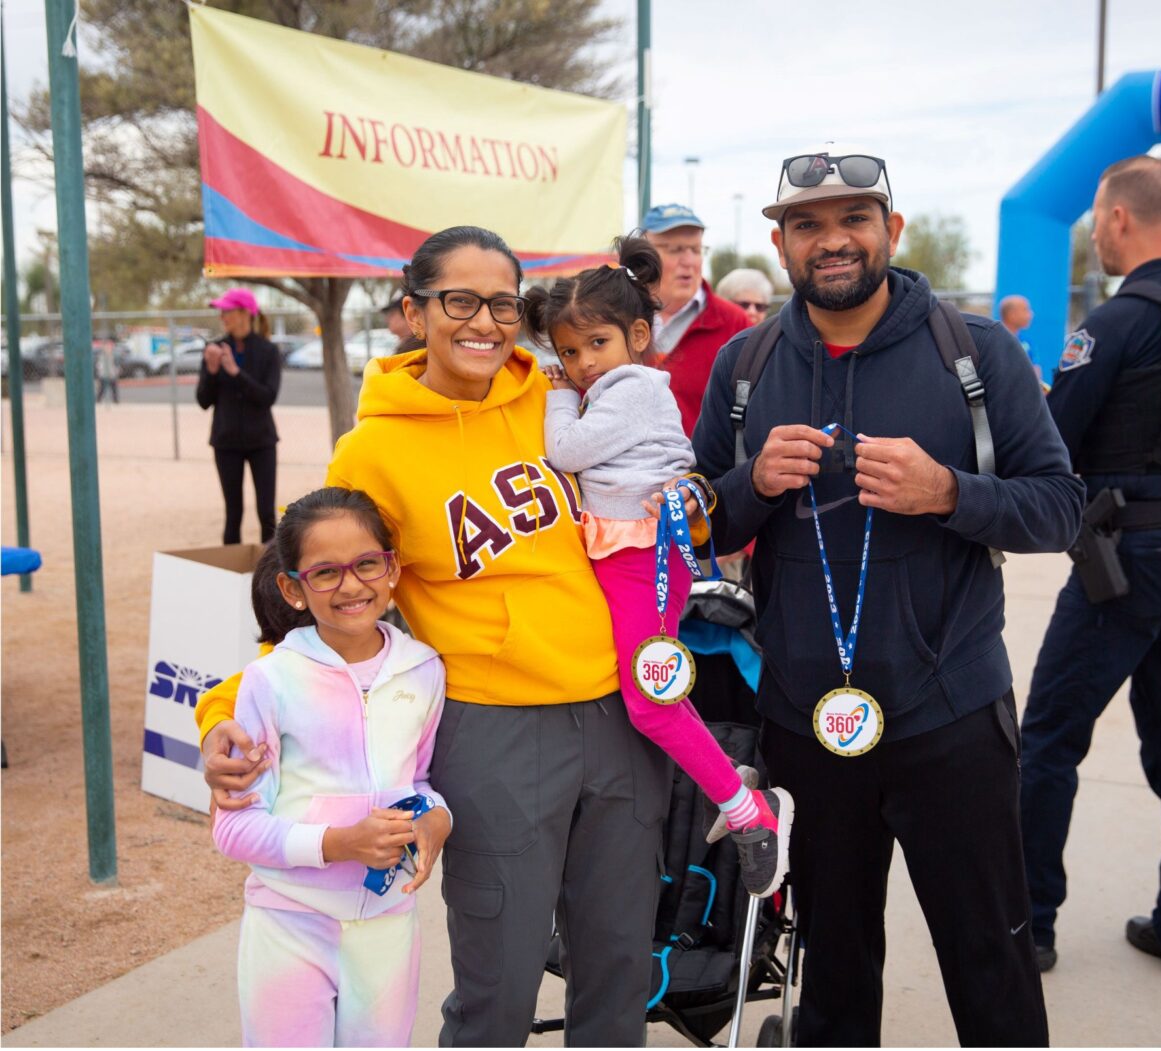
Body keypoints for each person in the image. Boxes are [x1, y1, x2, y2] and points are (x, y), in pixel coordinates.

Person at [195, 226, 671, 1046]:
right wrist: (223, 712)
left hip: (625, 710)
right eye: (459, 300)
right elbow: (309, 595)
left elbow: (658, 479)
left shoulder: (563, 395)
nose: (484, 321)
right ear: (414, 312)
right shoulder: (373, 449)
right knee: (499, 985)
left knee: (621, 969)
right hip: (496, 730)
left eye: (502, 303)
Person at [691, 143, 1085, 1046]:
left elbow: (1061, 509)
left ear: (892, 230)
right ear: (783, 246)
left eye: (852, 220)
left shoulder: (974, 352)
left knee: (992, 963)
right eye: (807, 226)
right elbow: (698, 523)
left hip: (951, 715)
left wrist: (950, 492)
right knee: (829, 976)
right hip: (804, 716)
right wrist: (750, 485)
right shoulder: (746, 365)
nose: (832, 241)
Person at [528, 236, 793, 899]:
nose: (582, 363)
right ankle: (730, 796)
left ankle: (745, 810)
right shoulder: (623, 384)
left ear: (638, 335)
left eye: (596, 344)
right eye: (567, 351)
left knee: (652, 703)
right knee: (636, 695)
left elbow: (566, 450)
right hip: (632, 549)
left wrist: (556, 390)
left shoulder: (631, 388)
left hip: (643, 552)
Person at [1019, 154, 1161, 980]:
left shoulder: (1117, 324)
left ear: (1120, 218)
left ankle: (1029, 921)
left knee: (1049, 736)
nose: (1095, 228)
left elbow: (1053, 440)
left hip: (1126, 558)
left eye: (1098, 214)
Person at [213, 487, 451, 1047]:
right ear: (293, 588)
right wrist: (341, 843)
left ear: (391, 569)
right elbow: (234, 826)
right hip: (288, 923)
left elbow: (418, 783)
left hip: (389, 926)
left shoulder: (425, 671)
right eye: (325, 573)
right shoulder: (270, 682)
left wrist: (436, 820)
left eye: (367, 563)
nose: (351, 584)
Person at [640, 203, 751, 435]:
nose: (689, 261)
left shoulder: (735, 324)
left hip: (703, 470)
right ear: (643, 255)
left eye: (696, 249)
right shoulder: (616, 317)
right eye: (676, 249)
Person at [197, 288, 283, 545]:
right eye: (221, 311)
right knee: (233, 513)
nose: (223, 316)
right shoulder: (215, 349)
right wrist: (212, 371)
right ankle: (229, 574)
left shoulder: (268, 351)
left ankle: (269, 575)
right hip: (226, 442)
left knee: (266, 513)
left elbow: (268, 396)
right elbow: (204, 401)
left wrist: (235, 372)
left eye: (228, 311)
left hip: (262, 441)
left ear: (245, 313)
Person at [94, 338, 120, 403]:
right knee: (102, 389)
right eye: (107, 347)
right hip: (103, 374)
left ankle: (115, 401)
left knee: (114, 389)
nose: (108, 348)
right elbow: (99, 365)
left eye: (109, 347)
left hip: (111, 374)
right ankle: (98, 400)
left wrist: (116, 371)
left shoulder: (113, 355)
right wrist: (100, 371)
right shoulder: (101, 356)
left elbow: (116, 365)